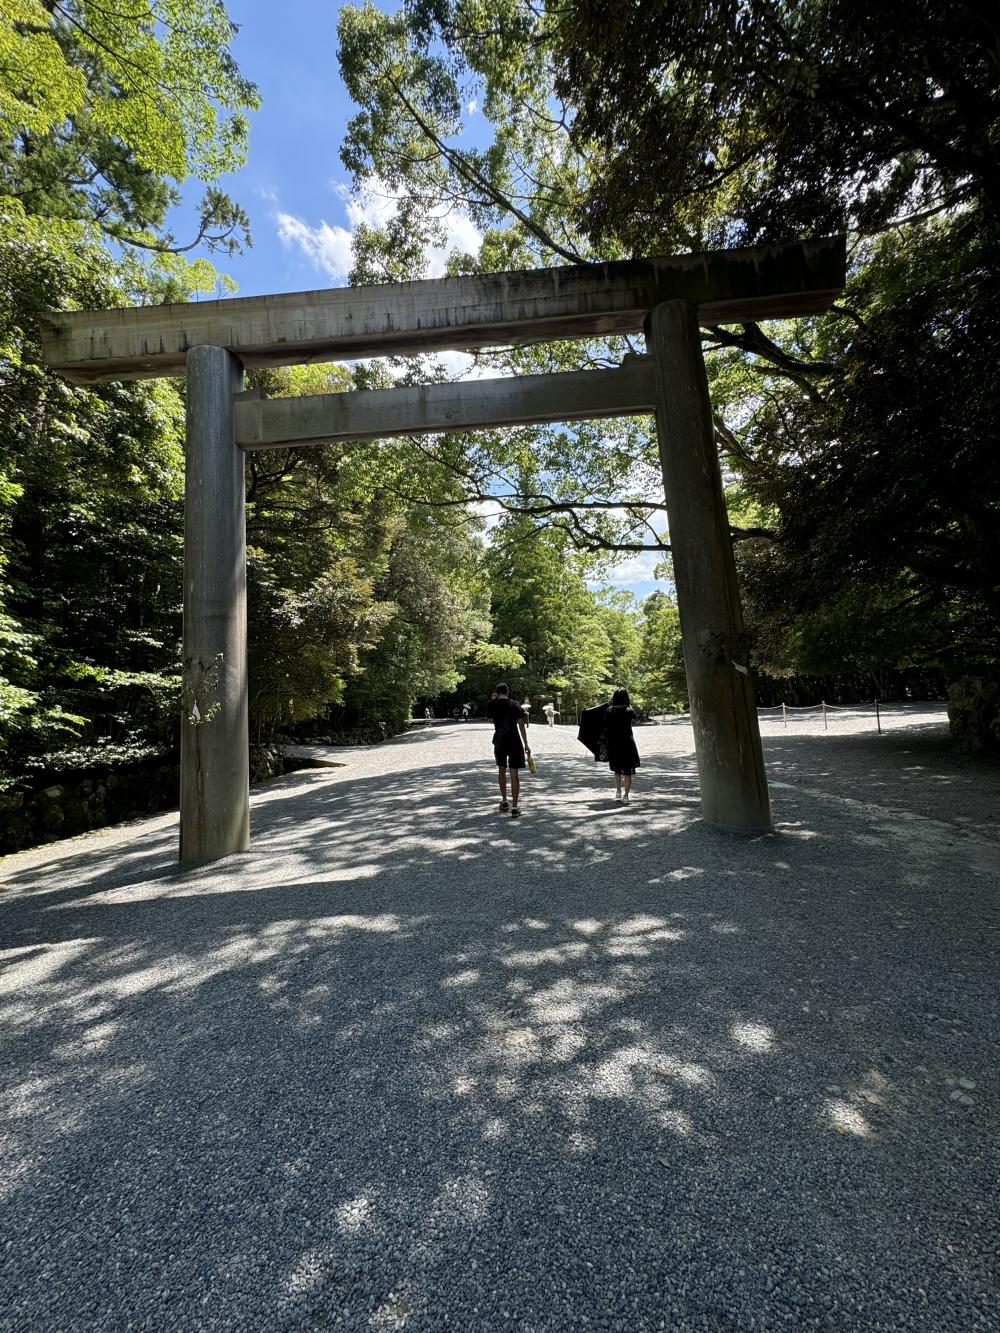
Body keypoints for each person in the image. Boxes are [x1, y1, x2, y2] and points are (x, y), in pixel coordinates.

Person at [487, 683, 531, 817]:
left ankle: (505, 801)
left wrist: (493, 701)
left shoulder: (492, 704)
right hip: (514, 740)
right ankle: (515, 807)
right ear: (508, 692)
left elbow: (490, 720)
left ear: (497, 692)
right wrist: (526, 744)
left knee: (501, 769)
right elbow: (521, 725)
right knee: (514, 774)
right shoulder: (515, 704)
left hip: (500, 740)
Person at [606, 687, 640, 804]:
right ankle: (626, 796)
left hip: (614, 743)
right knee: (627, 771)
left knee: (617, 770)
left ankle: (617, 791)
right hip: (627, 743)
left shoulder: (609, 710)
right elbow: (635, 717)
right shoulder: (629, 710)